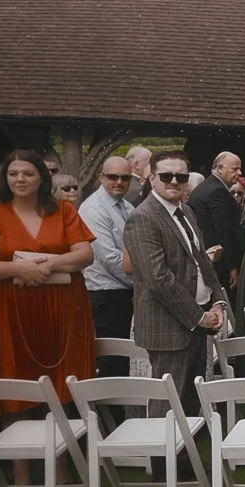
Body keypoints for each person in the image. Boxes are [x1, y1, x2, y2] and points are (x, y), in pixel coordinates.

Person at [0, 150, 95, 481]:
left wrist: (46, 264)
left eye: (27, 173)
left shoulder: (64, 211)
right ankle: (21, 472)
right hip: (9, 309)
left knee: (60, 387)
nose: (20, 179)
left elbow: (85, 253)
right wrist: (18, 269)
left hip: (61, 309)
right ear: (5, 179)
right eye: (13, 174)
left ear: (42, 178)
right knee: (15, 386)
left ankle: (61, 470)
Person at [124, 150, 227, 416]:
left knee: (191, 405)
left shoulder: (186, 212)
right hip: (168, 326)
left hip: (199, 321)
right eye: (166, 176)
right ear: (152, 178)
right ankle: (164, 448)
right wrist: (199, 317)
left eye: (180, 176)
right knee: (167, 408)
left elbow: (201, 261)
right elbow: (157, 279)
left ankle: (187, 445)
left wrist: (217, 302)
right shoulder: (143, 217)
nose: (174, 181)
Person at [78, 156, 135, 376]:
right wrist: (142, 281)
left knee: (121, 361)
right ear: (101, 177)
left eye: (125, 178)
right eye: (113, 177)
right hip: (105, 294)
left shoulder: (127, 207)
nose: (119, 182)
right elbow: (109, 258)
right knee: (109, 363)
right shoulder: (93, 208)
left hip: (123, 292)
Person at [188, 151, 245, 292]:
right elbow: (224, 231)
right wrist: (232, 266)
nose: (239, 173)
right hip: (219, 261)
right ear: (220, 168)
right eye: (234, 169)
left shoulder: (207, 187)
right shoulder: (217, 191)